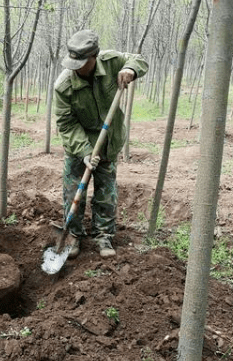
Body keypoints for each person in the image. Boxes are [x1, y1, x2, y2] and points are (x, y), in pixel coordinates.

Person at [54, 29, 148, 259]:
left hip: (108, 142)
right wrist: (85, 152)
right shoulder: (64, 85)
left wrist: (130, 70)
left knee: (106, 192)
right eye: (73, 62)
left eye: (82, 62)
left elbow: (139, 59)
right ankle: (74, 234)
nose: (75, 67)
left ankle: (103, 234)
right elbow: (66, 125)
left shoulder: (113, 61)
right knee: (74, 191)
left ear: (95, 56)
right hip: (79, 147)